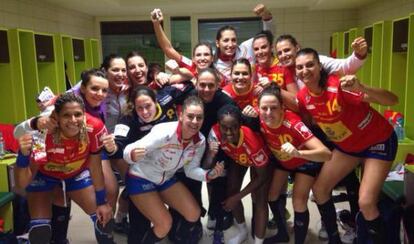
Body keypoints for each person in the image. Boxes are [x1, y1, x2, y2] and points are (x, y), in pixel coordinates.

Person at [293, 48, 398, 244]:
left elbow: (392, 100)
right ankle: (335, 239)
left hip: (377, 141)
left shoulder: (339, 86)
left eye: (310, 65)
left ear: (319, 66)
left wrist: (362, 87)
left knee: (366, 203)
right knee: (320, 190)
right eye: (300, 67)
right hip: (348, 147)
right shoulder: (303, 97)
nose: (305, 70)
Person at [13, 69, 112, 244]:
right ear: (56, 117)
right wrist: (23, 155)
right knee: (40, 232)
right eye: (66, 115)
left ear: (84, 114)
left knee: (103, 220)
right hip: (45, 175)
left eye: (78, 115)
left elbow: (96, 167)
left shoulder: (94, 127)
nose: (73, 120)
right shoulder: (43, 132)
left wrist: (102, 201)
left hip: (76, 175)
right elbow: (22, 183)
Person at [122, 96, 224, 243]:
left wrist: (209, 175)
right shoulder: (164, 131)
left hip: (165, 178)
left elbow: (191, 170)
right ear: (181, 115)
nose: (195, 122)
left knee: (193, 213)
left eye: (199, 118)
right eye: (190, 116)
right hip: (140, 177)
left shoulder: (200, 141)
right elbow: (129, 150)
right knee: (164, 224)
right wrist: (131, 154)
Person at [257, 84, 331, 244]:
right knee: (272, 195)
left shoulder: (293, 123)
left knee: (298, 201)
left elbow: (326, 154)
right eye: (264, 108)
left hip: (305, 161)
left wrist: (299, 153)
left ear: (282, 108)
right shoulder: (259, 118)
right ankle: (282, 233)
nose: (268, 113)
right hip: (283, 161)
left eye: (274, 108)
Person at [206, 104, 271, 244]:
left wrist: (238, 197)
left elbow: (262, 176)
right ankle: (243, 231)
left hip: (258, 161)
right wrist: (211, 154)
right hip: (238, 158)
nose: (229, 132)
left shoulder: (252, 142)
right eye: (225, 127)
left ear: (240, 125)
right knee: (230, 191)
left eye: (234, 127)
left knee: (260, 199)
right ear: (218, 125)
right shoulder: (214, 133)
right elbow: (206, 166)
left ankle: (259, 242)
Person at [213, 4, 273, 84]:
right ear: (217, 43)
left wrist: (266, 16)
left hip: (254, 93)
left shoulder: (247, 47)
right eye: (226, 40)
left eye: (233, 40)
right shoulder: (212, 60)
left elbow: (268, 36)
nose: (230, 44)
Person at [252, 31, 298, 95]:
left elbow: (296, 99)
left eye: (264, 47)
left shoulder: (283, 67)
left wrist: (272, 87)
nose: (260, 52)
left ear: (271, 48)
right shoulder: (252, 70)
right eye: (256, 49)